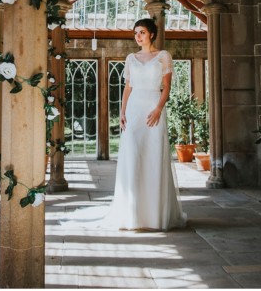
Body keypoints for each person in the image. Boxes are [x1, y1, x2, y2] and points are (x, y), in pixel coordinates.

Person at [62, 18, 187, 231]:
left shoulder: (163, 56)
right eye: (136, 32)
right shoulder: (131, 58)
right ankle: (132, 211)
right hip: (134, 110)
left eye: (142, 32)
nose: (138, 36)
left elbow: (166, 88)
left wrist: (158, 109)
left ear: (152, 35)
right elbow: (127, 87)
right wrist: (122, 111)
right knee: (132, 156)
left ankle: (155, 214)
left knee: (154, 156)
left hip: (153, 107)